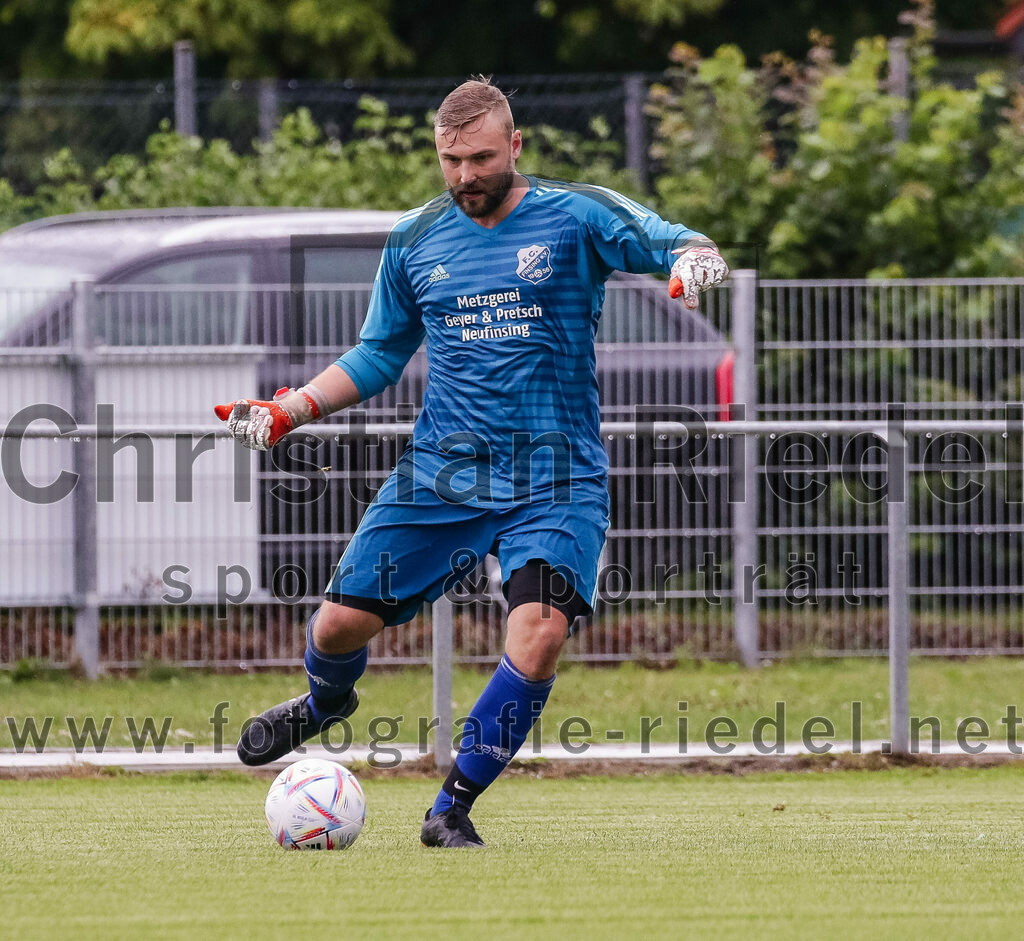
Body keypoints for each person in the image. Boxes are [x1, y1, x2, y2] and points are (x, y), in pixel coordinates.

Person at [216, 76, 728, 848]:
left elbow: (680, 242)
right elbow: (380, 351)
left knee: (540, 632)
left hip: (556, 480)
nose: (465, 176)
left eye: (481, 158)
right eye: (451, 160)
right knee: (336, 626)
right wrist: (292, 410)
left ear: (515, 146)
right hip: (441, 474)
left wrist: (696, 263)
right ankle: (323, 704)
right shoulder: (415, 238)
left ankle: (451, 806)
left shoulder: (576, 214)